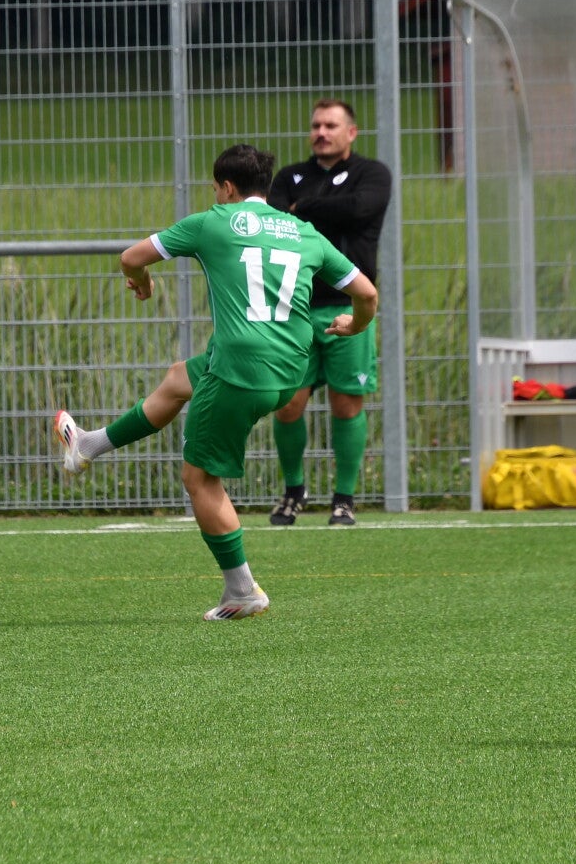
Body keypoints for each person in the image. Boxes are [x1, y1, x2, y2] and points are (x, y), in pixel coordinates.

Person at [57, 144, 376, 620]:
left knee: (200, 479)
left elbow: (130, 257)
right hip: (290, 367)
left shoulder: (213, 222)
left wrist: (142, 282)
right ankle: (88, 446)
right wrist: (355, 324)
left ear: (226, 188)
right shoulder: (303, 231)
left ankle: (242, 591)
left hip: (241, 369)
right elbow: (367, 293)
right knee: (177, 379)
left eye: (215, 188)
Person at [264, 99, 392, 527]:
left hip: (348, 306)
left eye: (331, 125)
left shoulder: (372, 174)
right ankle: (293, 492)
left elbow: (360, 209)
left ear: (351, 132)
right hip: (294, 308)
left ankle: (344, 499)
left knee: (346, 405)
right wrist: (321, 209)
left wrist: (303, 209)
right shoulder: (289, 177)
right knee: (287, 405)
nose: (321, 132)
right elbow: (276, 220)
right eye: (316, 125)